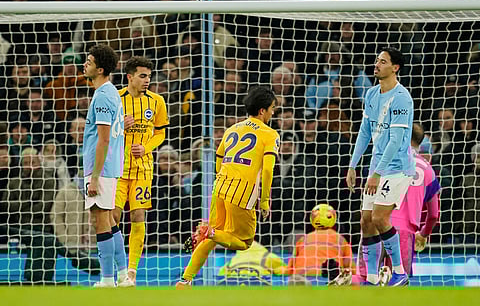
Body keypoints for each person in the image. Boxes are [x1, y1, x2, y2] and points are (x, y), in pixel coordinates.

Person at [176, 85, 280, 288]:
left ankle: (185, 280)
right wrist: (265, 201)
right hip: (243, 193)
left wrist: (222, 179)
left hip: (220, 187)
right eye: (272, 108)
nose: (273, 112)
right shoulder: (270, 134)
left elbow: (219, 158)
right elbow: (267, 171)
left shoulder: (232, 129)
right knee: (244, 243)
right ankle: (210, 232)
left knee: (213, 236)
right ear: (262, 110)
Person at [346, 47, 415, 286]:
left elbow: (396, 141)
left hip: (397, 169)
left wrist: (375, 173)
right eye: (377, 60)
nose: (377, 65)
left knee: (379, 218)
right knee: (366, 220)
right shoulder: (372, 94)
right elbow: (365, 133)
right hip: (376, 167)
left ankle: (399, 272)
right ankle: (372, 278)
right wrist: (353, 165)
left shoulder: (402, 98)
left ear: (395, 67)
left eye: (383, 62)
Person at [346, 123, 441, 286]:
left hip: (376, 226)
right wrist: (423, 234)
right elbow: (433, 215)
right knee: (398, 284)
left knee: (364, 278)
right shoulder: (428, 170)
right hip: (404, 232)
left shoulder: (384, 160)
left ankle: (344, 286)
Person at [112, 56, 169, 284]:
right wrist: (119, 126)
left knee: (137, 215)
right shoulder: (115, 99)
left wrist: (145, 147)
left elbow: (161, 133)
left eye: (149, 76)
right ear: (130, 77)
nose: (147, 80)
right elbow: (101, 131)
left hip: (143, 169)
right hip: (117, 168)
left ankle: (132, 272)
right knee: (113, 217)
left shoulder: (157, 101)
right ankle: (118, 268)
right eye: (142, 76)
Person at [82, 44, 133, 288]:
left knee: (100, 220)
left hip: (100, 168)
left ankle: (106, 280)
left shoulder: (102, 95)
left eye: (89, 61)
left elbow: (103, 138)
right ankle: (123, 275)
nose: (85, 63)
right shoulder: (111, 92)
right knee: (110, 220)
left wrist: (94, 177)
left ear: (100, 68)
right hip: (111, 167)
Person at [286, 204, 354, 285]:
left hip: (303, 276)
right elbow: (350, 269)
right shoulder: (341, 240)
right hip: (329, 278)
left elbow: (289, 268)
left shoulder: (303, 239)